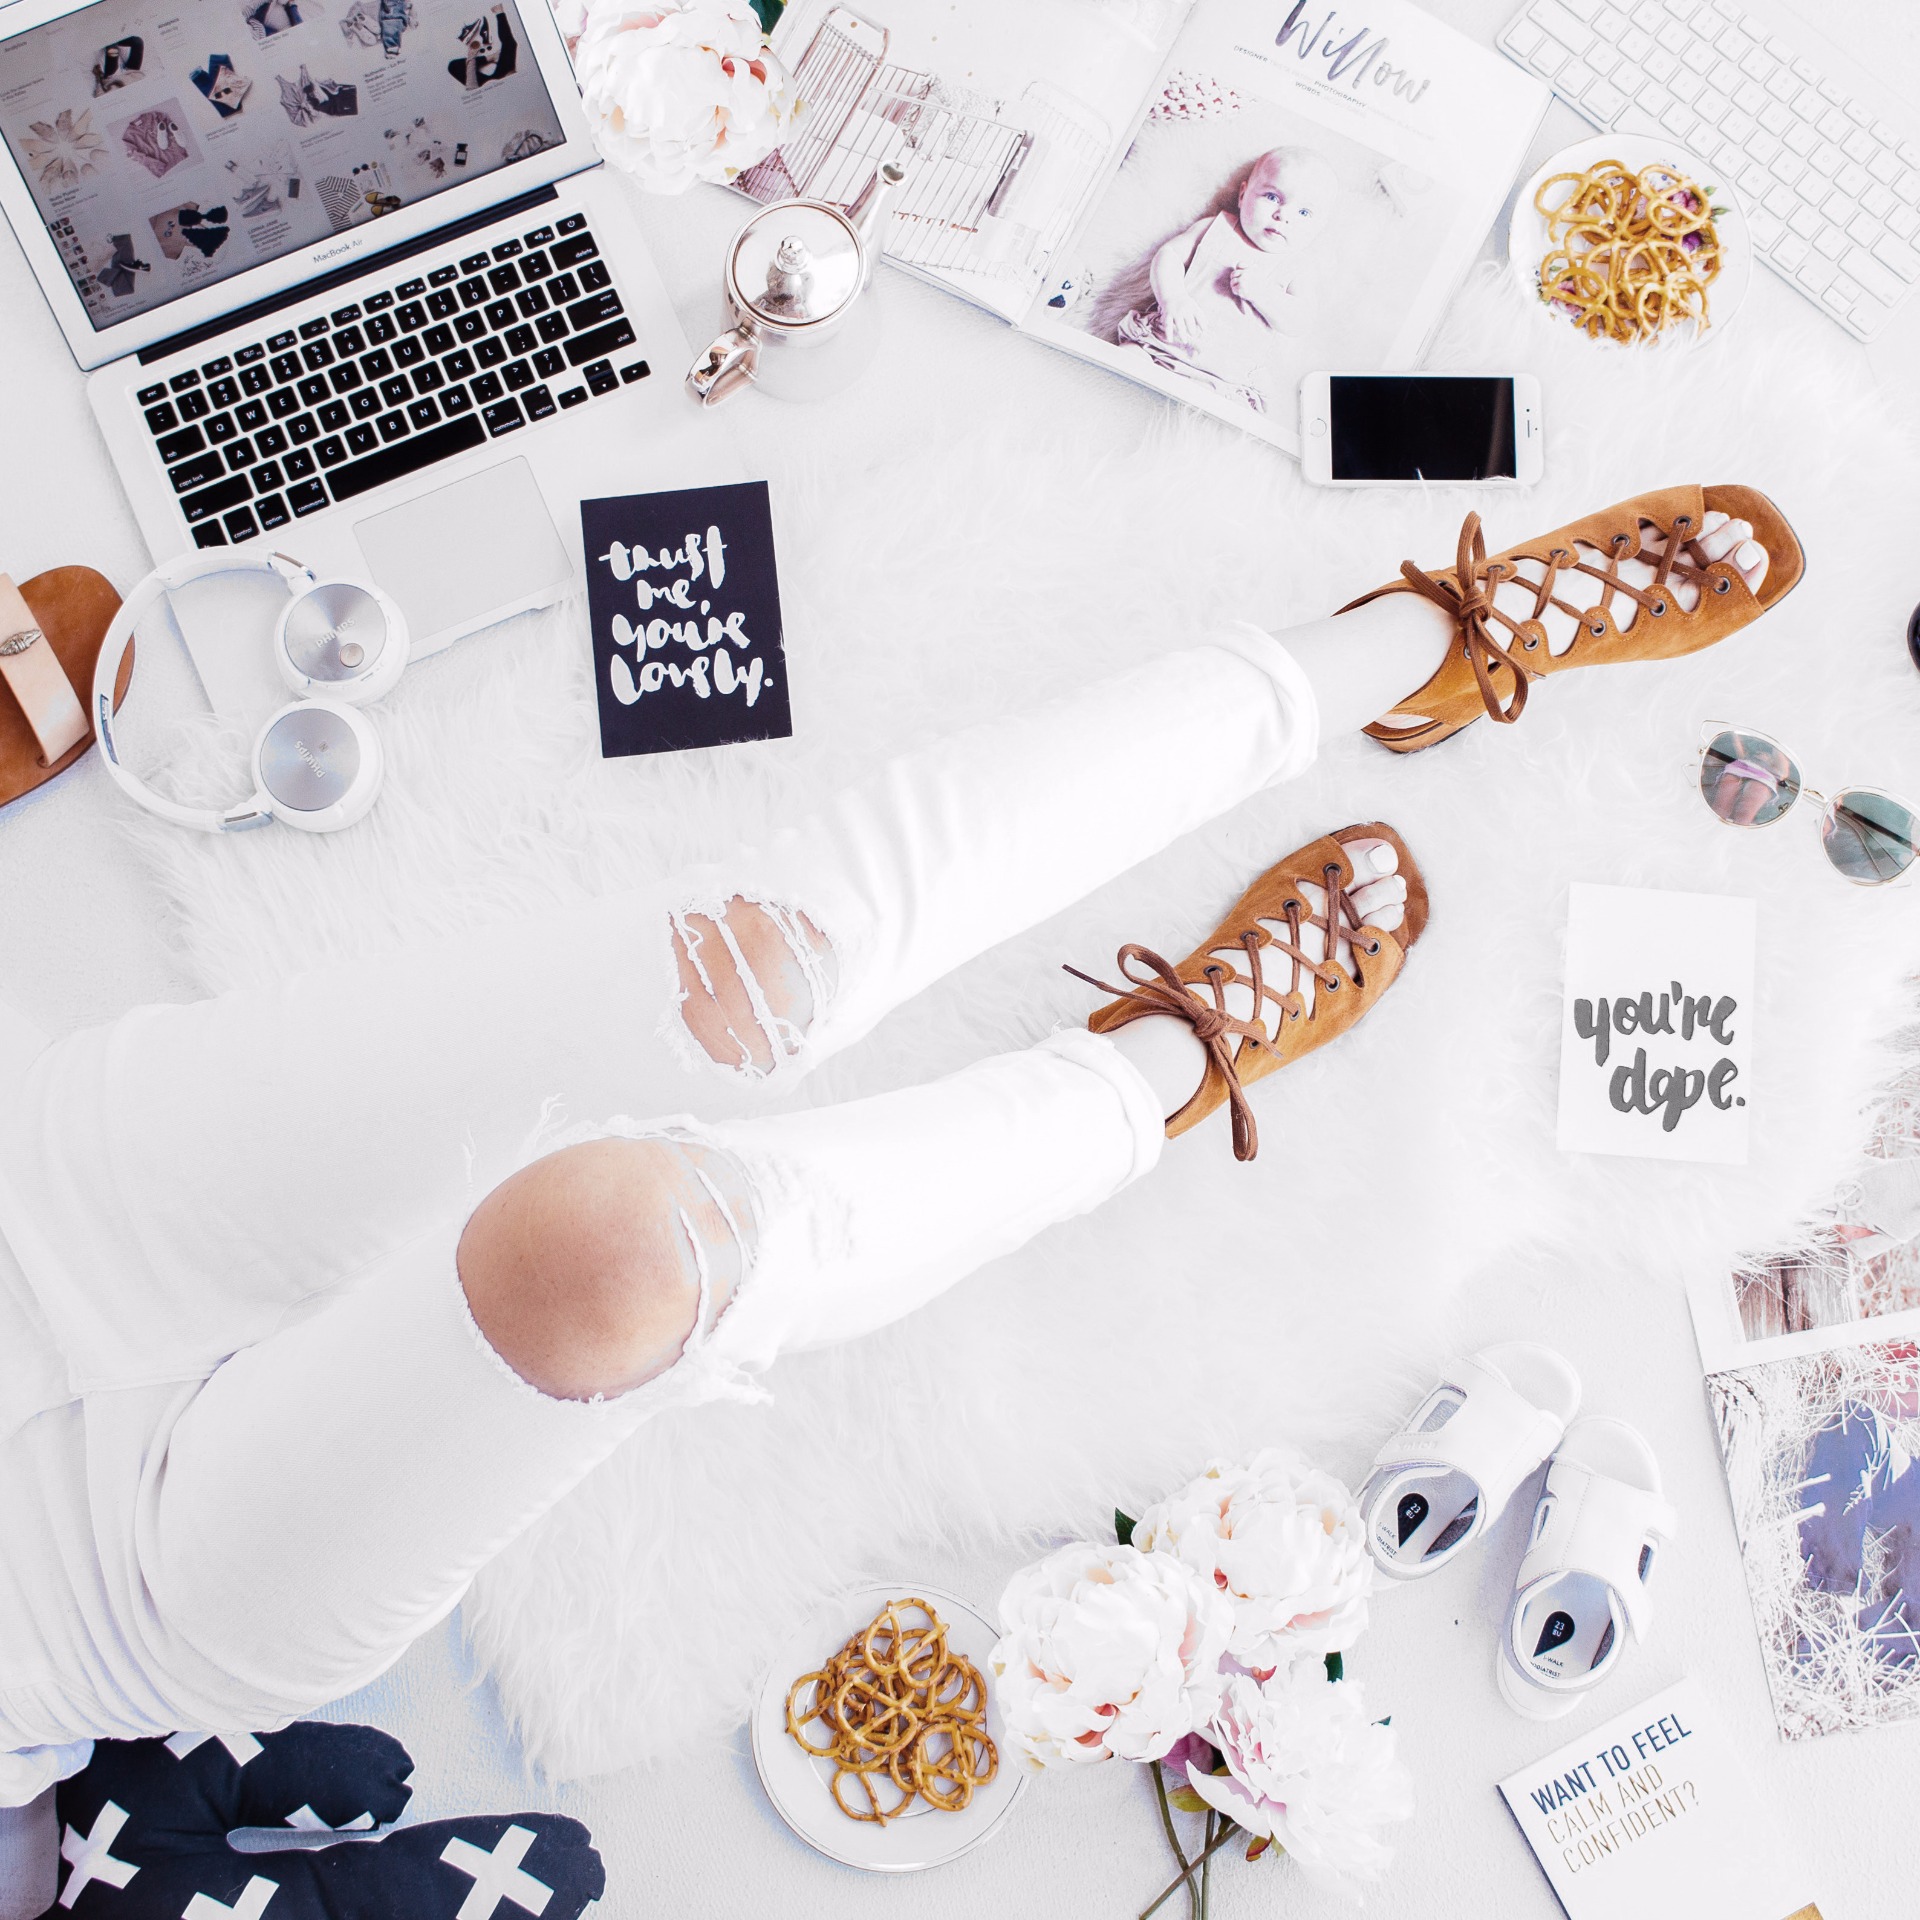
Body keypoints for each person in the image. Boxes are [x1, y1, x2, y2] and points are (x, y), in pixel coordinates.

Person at [0, 494, 1784, 1913]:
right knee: (634, 1248)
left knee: (748, 964)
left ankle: (1405, 644)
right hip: (99, 1597)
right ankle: (1155, 1073)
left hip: (48, 1194)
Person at [1118, 146, 1339, 412]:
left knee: (1205, 417)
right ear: (1243, 194)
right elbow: (1169, 256)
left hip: (1222, 380)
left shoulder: (1298, 266)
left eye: (1304, 213)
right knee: (1120, 362)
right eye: (1272, 197)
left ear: (1318, 228)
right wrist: (1173, 298)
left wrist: (1263, 294)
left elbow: (1299, 321)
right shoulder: (1215, 227)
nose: (1283, 216)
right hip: (1160, 348)